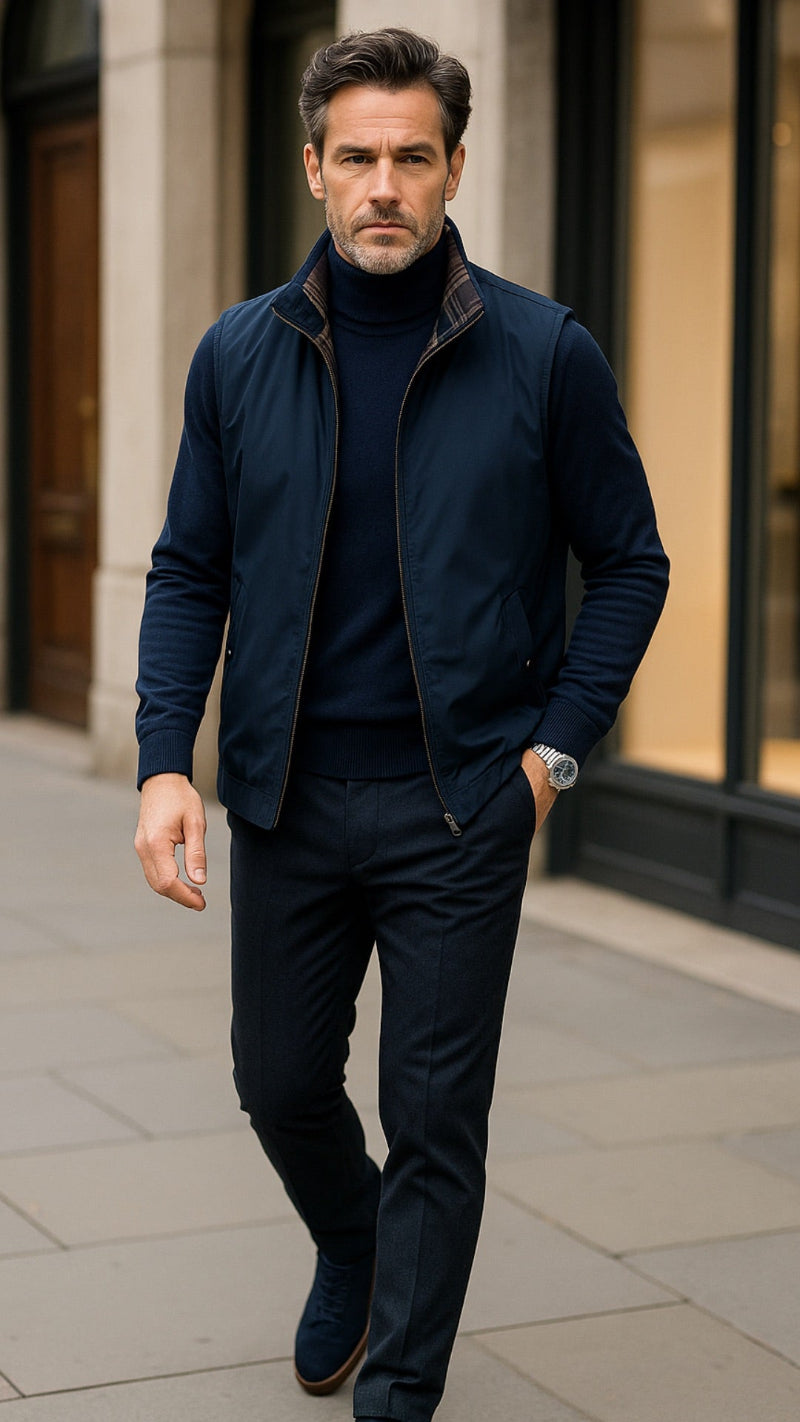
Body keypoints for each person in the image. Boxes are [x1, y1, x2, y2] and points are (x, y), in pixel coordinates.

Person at [134, 26, 669, 1422]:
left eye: (413, 158)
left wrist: (550, 758)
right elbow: (189, 568)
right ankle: (356, 1241)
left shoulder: (544, 352)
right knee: (278, 1083)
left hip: (463, 803)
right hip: (286, 796)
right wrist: (162, 762)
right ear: (313, 167)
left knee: (435, 1117)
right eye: (359, 157)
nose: (386, 185)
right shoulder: (238, 355)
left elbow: (630, 563)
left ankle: (402, 1392)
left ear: (455, 169)